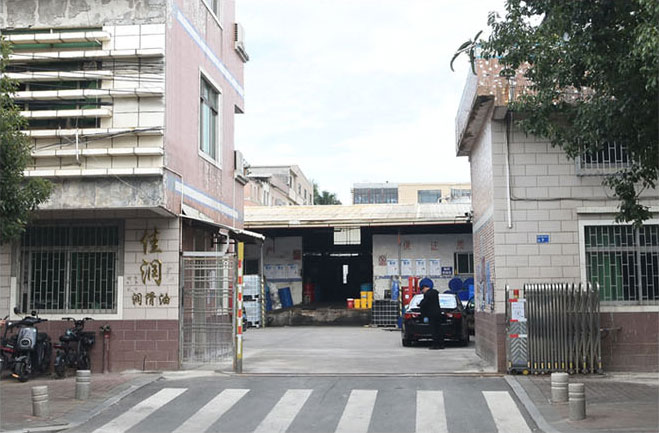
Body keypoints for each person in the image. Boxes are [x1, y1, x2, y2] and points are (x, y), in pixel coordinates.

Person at [418, 277, 445, 350]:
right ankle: (441, 344)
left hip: (432, 315)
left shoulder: (427, 294)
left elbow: (425, 303)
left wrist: (420, 304)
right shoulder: (435, 292)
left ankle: (435, 345)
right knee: (439, 329)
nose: (423, 292)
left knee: (434, 330)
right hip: (438, 313)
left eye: (422, 291)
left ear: (424, 288)